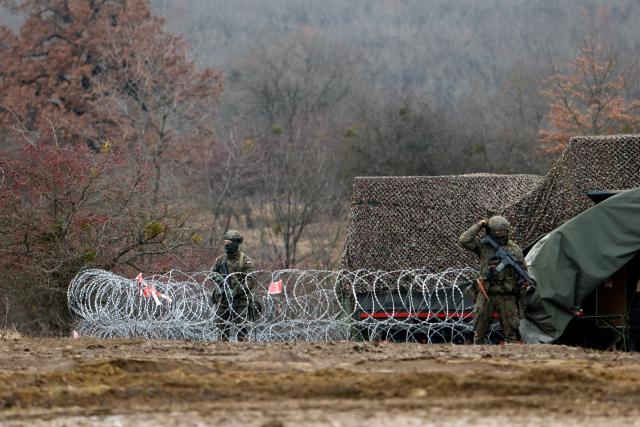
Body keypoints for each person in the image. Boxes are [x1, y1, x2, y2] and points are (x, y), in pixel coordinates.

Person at [459, 215, 527, 344]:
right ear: (490, 231)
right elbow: (464, 240)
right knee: (479, 333)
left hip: (507, 296)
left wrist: (523, 284)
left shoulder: (515, 249)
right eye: (497, 231)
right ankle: (476, 361)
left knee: (512, 333)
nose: (500, 234)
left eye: (503, 231)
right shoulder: (484, 246)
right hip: (486, 294)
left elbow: (523, 271)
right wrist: (479, 225)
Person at [210, 229, 257, 341]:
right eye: (225, 242)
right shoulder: (221, 260)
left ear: (236, 244)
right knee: (222, 327)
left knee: (242, 328)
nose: (226, 245)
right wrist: (218, 279)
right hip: (224, 299)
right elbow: (212, 273)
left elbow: (251, 279)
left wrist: (236, 291)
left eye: (229, 243)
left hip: (240, 299)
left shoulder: (244, 261)